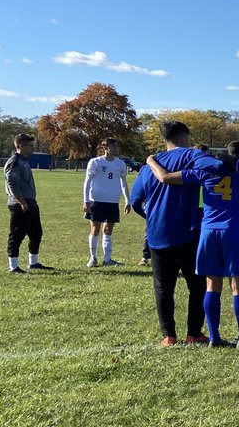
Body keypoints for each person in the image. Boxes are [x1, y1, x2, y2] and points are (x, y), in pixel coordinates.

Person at [145, 140, 239, 347]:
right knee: (238, 285)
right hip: (233, 231)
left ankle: (214, 337)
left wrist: (151, 160)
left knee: (212, 284)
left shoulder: (204, 171)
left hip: (208, 233)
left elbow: (166, 177)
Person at [129, 121, 224, 344]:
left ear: (165, 139)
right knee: (198, 284)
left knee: (163, 286)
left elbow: (135, 201)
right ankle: (194, 333)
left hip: (157, 233)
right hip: (188, 231)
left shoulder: (150, 165)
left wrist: (150, 217)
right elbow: (216, 167)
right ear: (184, 138)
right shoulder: (192, 156)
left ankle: (168, 336)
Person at [4, 133, 52, 273]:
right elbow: (12, 183)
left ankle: (34, 263)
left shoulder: (24, 161)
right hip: (20, 203)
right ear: (20, 146)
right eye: (30, 146)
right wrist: (22, 202)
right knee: (17, 235)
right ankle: (13, 267)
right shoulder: (15, 162)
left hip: (30, 202)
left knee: (36, 233)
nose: (33, 148)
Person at [83, 138, 132, 267]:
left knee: (109, 229)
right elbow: (87, 182)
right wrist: (86, 200)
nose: (116, 148)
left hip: (112, 201)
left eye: (117, 146)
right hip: (96, 200)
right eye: (113, 146)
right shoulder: (95, 162)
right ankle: (93, 258)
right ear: (105, 148)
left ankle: (107, 259)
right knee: (95, 228)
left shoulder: (120, 164)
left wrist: (127, 200)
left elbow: (123, 182)